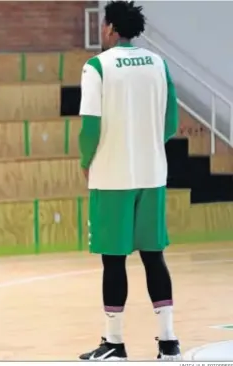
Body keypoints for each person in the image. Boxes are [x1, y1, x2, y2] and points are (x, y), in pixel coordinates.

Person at [77, 1, 180, 361]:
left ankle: (114, 343)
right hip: (152, 174)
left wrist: (85, 160)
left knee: (114, 260)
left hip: (111, 176)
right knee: (154, 257)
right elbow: (170, 123)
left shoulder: (96, 67)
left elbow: (90, 125)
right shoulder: (158, 64)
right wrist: (148, 147)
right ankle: (168, 344)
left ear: (108, 27)